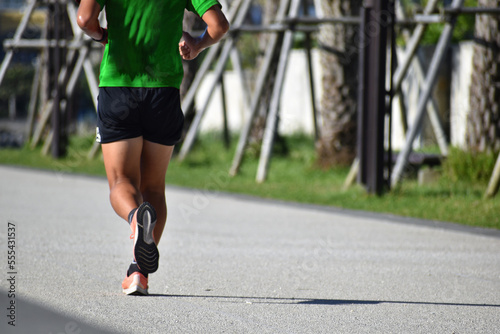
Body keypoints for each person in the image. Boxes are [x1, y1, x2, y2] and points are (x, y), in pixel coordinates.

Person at [76, 0, 229, 295]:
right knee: (155, 188)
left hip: (119, 87)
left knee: (122, 181)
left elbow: (84, 20)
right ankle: (138, 273)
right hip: (164, 91)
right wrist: (197, 45)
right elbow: (219, 26)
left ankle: (135, 219)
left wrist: (104, 35)